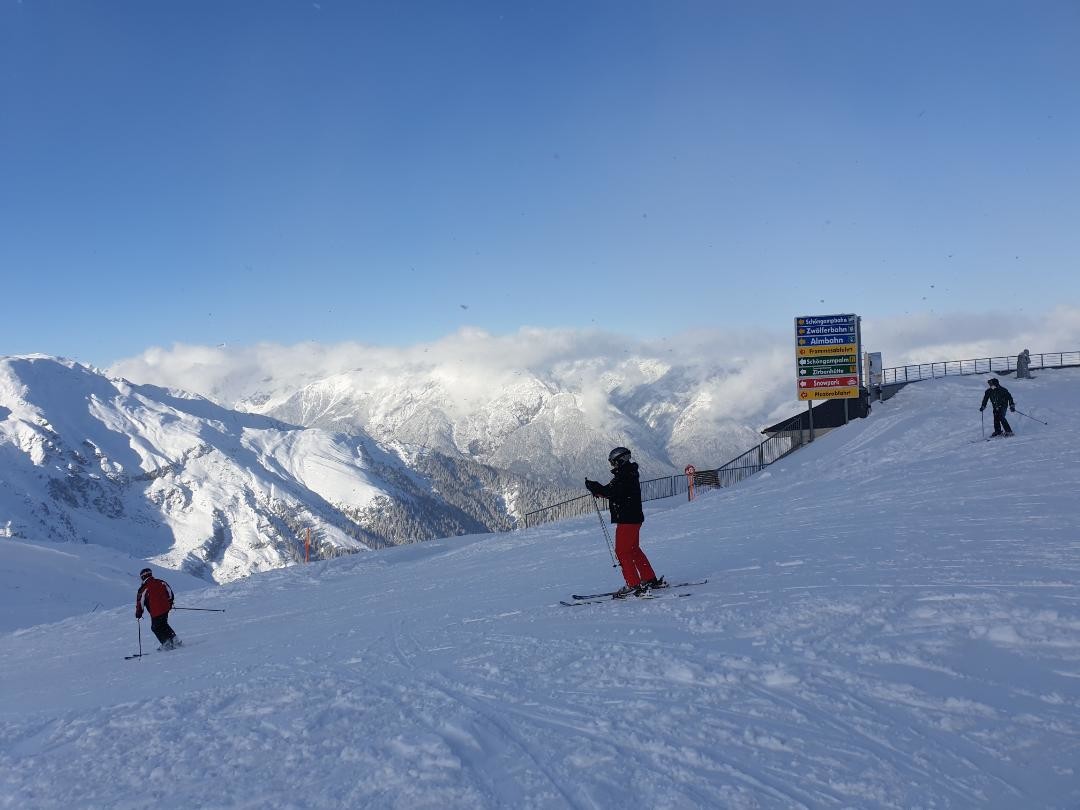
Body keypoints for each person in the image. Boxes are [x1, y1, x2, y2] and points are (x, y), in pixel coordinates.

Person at [585, 447, 664, 597]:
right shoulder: (627, 473)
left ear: (621, 460)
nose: (612, 466)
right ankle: (648, 579)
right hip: (633, 518)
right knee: (633, 549)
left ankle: (633, 584)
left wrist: (595, 487)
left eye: (613, 462)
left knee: (622, 552)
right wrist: (597, 489)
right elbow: (612, 491)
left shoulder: (624, 475)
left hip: (627, 519)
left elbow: (611, 492)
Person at [135, 567, 182, 650]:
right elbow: (170, 593)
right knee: (163, 624)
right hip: (165, 609)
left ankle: (166, 643)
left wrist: (139, 614)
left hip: (155, 611)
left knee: (155, 627)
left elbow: (140, 603)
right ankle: (175, 640)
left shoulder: (143, 588)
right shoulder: (161, 582)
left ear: (143, 577)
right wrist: (170, 604)